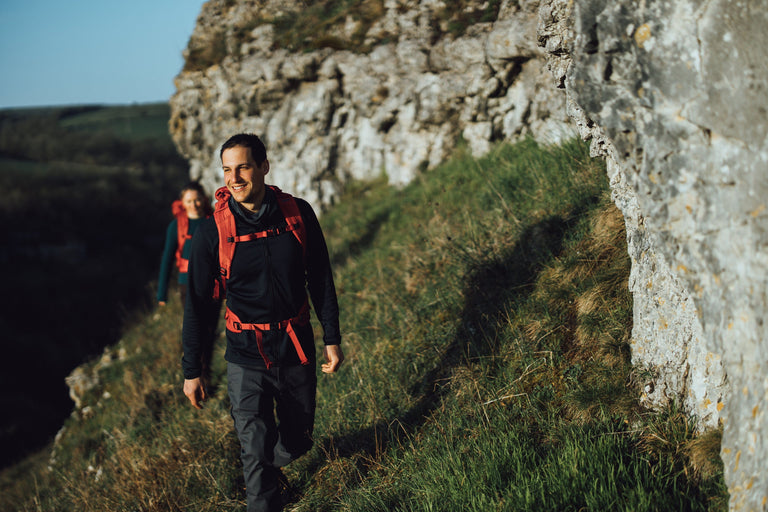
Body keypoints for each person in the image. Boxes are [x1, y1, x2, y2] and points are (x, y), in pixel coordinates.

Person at [181, 133, 344, 511]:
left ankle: (275, 466)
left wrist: (331, 337)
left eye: (243, 167)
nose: (234, 178)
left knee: (299, 440)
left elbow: (320, 277)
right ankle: (265, 493)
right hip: (245, 356)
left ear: (264, 167)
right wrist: (193, 369)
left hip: (295, 346)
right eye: (226, 170)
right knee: (253, 452)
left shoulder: (298, 214)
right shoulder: (211, 232)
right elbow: (198, 307)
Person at [156, 181, 213, 307]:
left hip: (212, 283)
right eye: (189, 201)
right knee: (194, 325)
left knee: (210, 325)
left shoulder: (214, 222)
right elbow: (167, 259)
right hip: (186, 283)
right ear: (182, 202)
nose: (194, 205)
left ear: (204, 199)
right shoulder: (175, 226)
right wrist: (162, 294)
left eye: (197, 200)